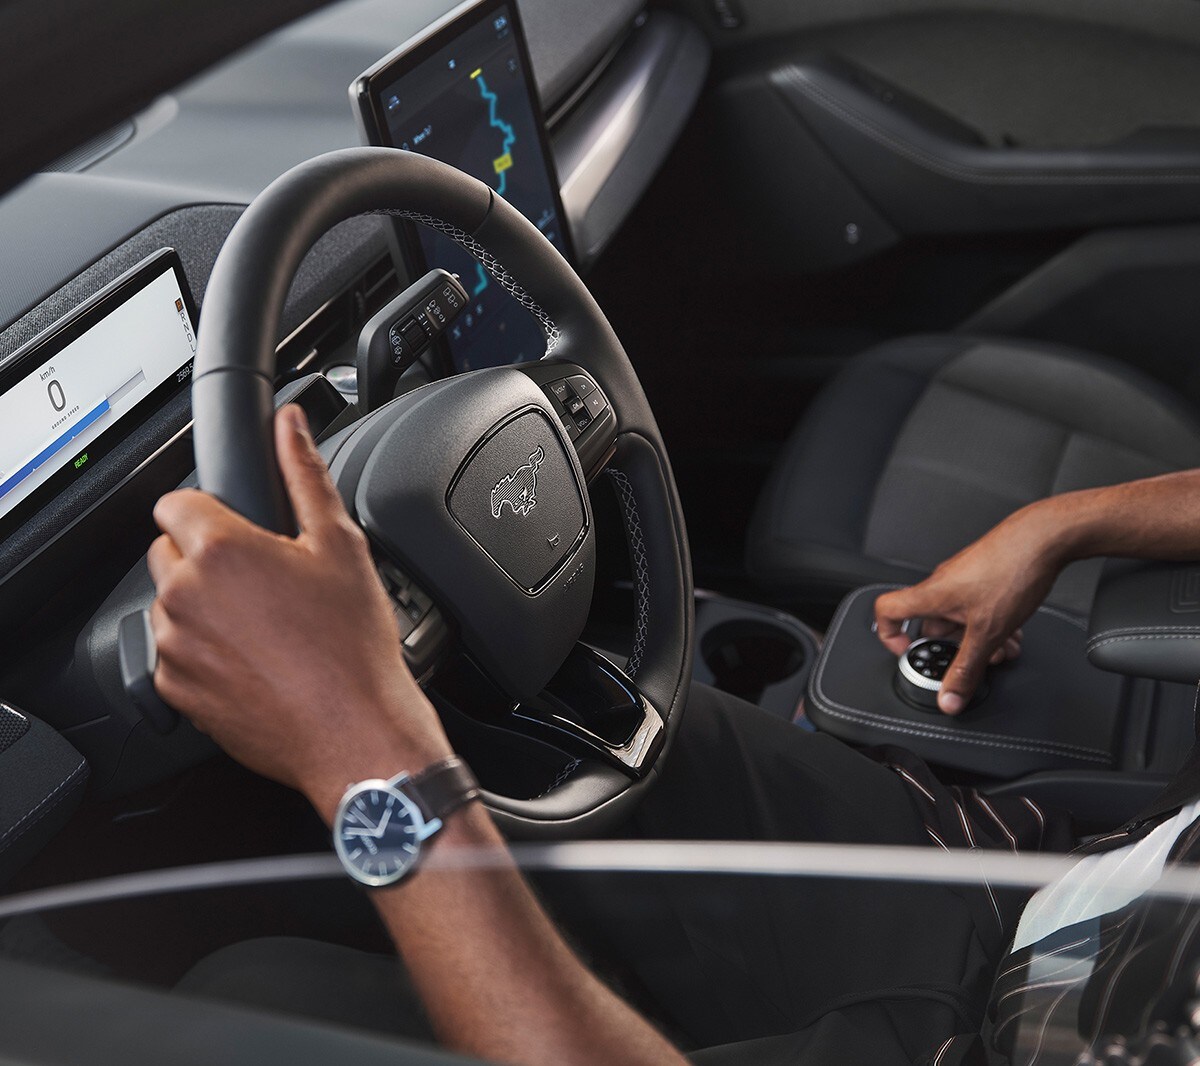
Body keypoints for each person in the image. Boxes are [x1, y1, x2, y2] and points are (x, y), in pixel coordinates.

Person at [148, 405, 1200, 1065]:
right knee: (581, 725)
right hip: (1063, 891)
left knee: (233, 1009)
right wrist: (1064, 525)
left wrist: (356, 741)